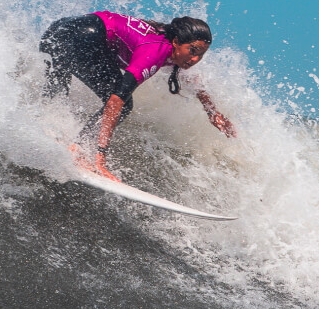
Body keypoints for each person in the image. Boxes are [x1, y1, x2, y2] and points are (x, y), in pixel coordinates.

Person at [39, 11, 236, 182]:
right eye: (192, 51)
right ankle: (81, 151)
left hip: (56, 32)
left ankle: (45, 131)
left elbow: (192, 79)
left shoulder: (167, 41)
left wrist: (212, 112)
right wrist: (99, 156)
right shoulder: (155, 51)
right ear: (176, 42)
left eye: (200, 55)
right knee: (124, 105)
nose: (195, 59)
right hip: (83, 38)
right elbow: (116, 101)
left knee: (57, 95)